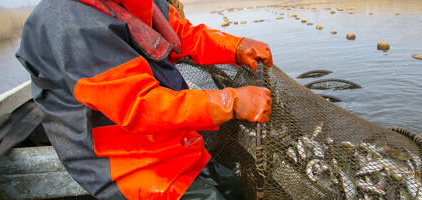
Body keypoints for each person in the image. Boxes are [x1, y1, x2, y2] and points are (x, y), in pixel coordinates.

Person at [15, 0, 273, 199]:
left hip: (172, 141)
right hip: (126, 163)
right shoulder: (68, 24)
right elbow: (139, 105)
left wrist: (236, 46)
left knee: (231, 185)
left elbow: (178, 33)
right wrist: (231, 102)